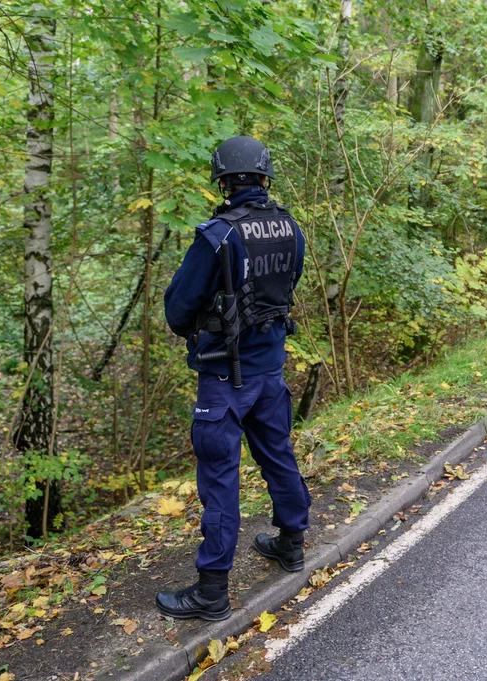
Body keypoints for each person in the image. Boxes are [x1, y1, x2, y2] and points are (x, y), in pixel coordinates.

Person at [157, 136, 312, 621]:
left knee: (220, 479)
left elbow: (178, 309)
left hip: (225, 377)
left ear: (222, 182)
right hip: (271, 370)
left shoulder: (218, 235)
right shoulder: (290, 228)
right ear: (265, 178)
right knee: (279, 456)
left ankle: (212, 591)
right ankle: (291, 543)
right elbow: (288, 285)